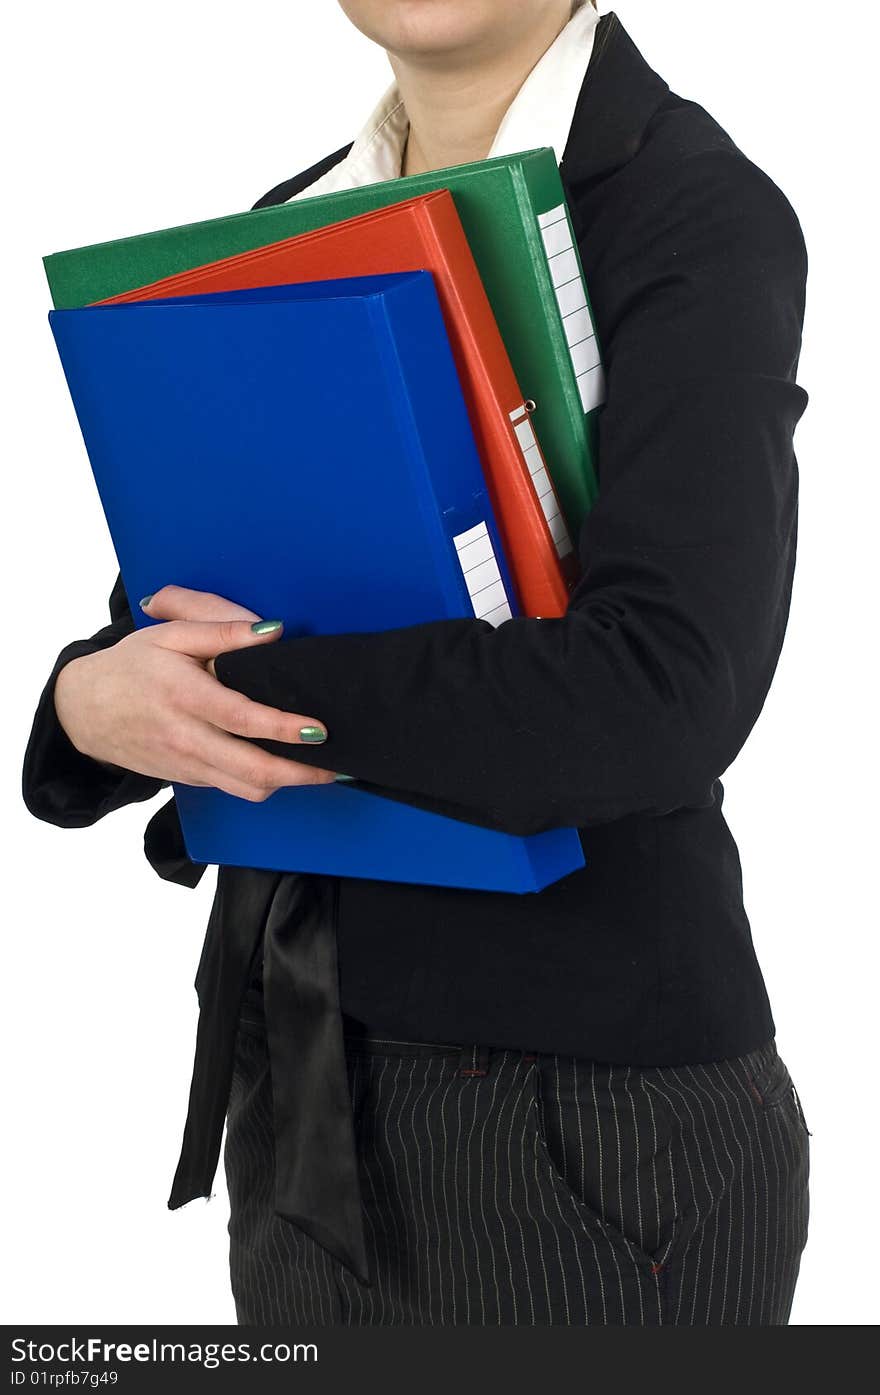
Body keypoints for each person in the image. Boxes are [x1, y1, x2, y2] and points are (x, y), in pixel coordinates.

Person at [22, 1, 811, 1326]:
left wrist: (230, 696)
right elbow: (172, 615)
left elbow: (662, 694)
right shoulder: (299, 222)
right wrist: (85, 704)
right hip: (307, 1090)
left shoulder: (689, 210)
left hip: (590, 1128)